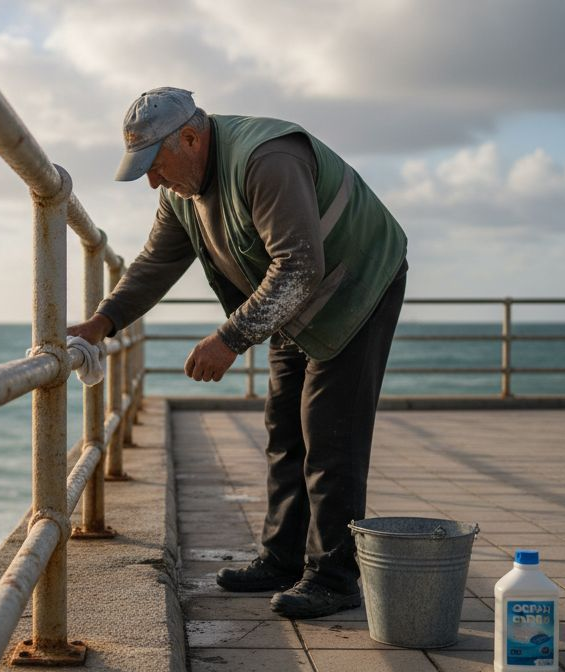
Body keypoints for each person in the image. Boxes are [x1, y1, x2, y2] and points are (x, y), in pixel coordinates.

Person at [67, 87, 408, 619]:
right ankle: (281, 558)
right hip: (295, 300)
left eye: (154, 164)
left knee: (329, 434)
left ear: (190, 137)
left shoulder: (266, 159)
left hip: (356, 282)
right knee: (284, 428)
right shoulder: (180, 191)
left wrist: (228, 339)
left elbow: (299, 267)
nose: (153, 180)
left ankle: (335, 577)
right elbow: (156, 262)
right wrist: (102, 321)